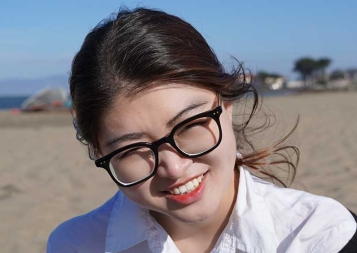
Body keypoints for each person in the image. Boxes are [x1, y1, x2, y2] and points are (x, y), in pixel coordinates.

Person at [47, 7, 356, 253]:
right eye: (132, 149)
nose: (174, 167)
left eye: (190, 125)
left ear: (226, 104)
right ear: (99, 152)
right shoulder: (77, 244)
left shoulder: (320, 234)